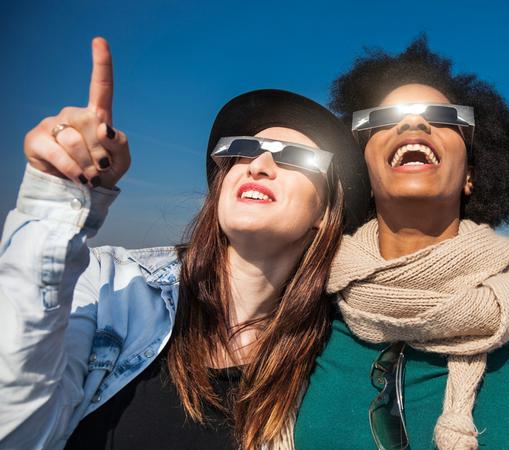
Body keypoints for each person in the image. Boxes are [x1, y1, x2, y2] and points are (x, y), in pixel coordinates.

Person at [0, 37, 370, 450]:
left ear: (325, 213)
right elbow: (14, 427)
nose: (260, 165)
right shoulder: (112, 289)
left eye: (296, 158)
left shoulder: (336, 356)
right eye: (245, 150)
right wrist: (54, 201)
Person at [292, 37, 509, 450]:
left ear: (470, 176)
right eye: (386, 118)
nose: (413, 124)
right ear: (365, 175)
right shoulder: (309, 300)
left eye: (443, 117)